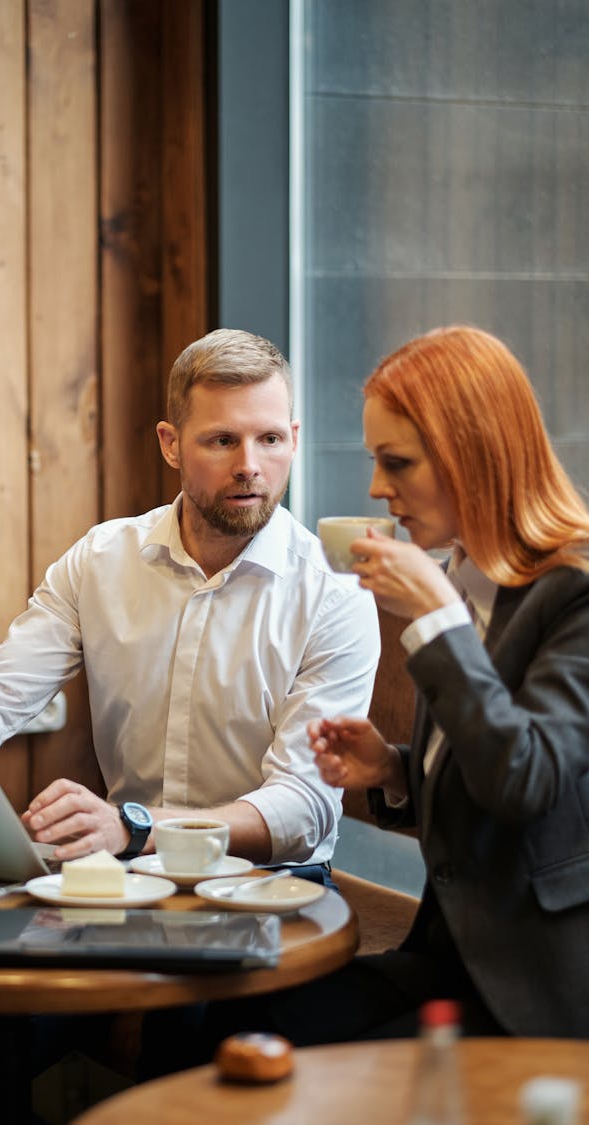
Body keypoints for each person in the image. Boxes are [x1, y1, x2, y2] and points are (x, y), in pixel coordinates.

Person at [0, 328, 379, 1121]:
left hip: (272, 894)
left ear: (294, 437)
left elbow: (301, 809)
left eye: (269, 438)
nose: (249, 465)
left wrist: (135, 825)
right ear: (170, 442)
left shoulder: (333, 595)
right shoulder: (101, 559)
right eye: (221, 439)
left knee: (184, 1068)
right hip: (115, 889)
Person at [193, 323, 589, 1058]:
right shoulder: (469, 581)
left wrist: (436, 621)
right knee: (225, 1027)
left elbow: (528, 782)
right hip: (447, 959)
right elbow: (486, 759)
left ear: (475, 456)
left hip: (536, 987)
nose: (378, 488)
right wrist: (397, 771)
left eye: (397, 462)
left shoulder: (572, 594)